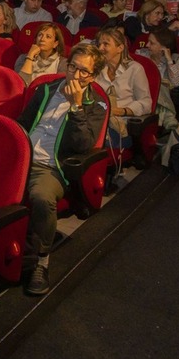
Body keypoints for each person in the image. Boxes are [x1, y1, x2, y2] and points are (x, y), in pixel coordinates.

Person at [17, 44, 108, 296]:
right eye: (73, 67)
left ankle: (41, 261)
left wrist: (76, 106)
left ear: (93, 76)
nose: (75, 76)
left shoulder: (95, 104)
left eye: (83, 72)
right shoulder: (44, 90)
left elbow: (84, 145)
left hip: (51, 167)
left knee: (41, 197)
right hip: (22, 159)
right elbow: (23, 123)